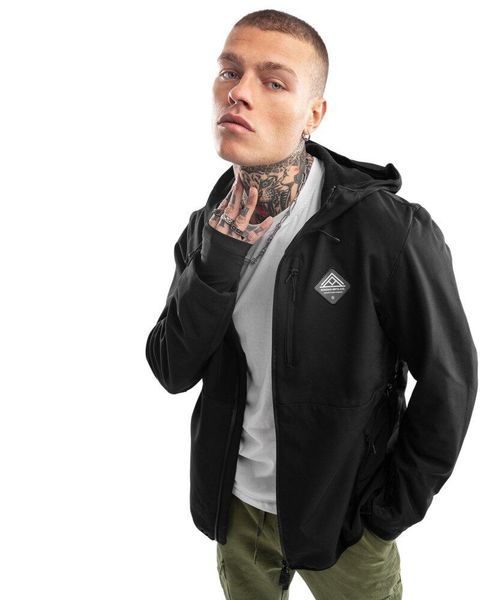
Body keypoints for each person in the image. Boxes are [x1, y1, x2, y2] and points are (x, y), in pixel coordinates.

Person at [145, 9, 478, 600]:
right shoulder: (207, 227)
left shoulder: (386, 230)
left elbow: (448, 381)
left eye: (273, 81)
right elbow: (173, 367)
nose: (239, 92)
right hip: (237, 511)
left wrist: (387, 514)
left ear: (314, 114)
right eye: (229, 72)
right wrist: (219, 260)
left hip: (345, 522)